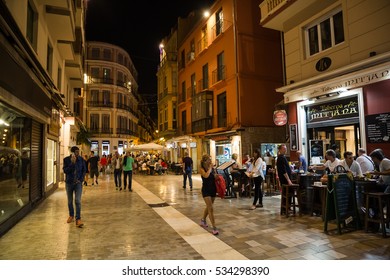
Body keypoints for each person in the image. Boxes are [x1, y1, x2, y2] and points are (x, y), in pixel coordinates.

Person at [63, 146, 86, 228]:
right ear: (72, 152)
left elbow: (84, 170)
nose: (78, 153)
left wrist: (81, 179)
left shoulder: (81, 160)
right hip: (69, 183)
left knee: (77, 201)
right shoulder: (66, 160)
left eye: (78, 151)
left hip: (78, 183)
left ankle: (78, 218)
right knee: (70, 201)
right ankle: (71, 215)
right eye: (76, 152)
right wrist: (72, 164)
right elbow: (65, 171)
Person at [199, 154, 219, 235]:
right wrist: (210, 168)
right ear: (205, 161)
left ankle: (203, 220)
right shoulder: (201, 169)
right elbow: (206, 176)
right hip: (206, 190)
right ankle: (214, 227)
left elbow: (214, 177)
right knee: (210, 208)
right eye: (209, 160)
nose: (210, 161)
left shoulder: (212, 169)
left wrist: (217, 176)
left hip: (213, 189)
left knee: (209, 206)